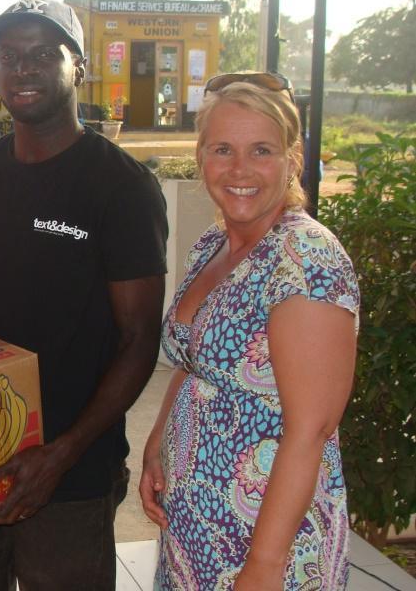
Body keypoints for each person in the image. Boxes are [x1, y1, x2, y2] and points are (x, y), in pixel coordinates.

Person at [0, 0, 168, 590]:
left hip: (72, 477)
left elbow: (139, 340)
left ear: (77, 66)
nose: (23, 69)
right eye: (10, 57)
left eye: (42, 54)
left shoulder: (121, 187)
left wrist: (60, 454)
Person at [139, 72, 359, 590]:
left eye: (261, 150)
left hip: (268, 541)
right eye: (222, 149)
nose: (240, 169)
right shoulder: (213, 247)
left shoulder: (307, 262)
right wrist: (157, 444)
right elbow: (197, 364)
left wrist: (263, 566)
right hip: (195, 531)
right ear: (201, 157)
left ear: (292, 158)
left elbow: (311, 430)